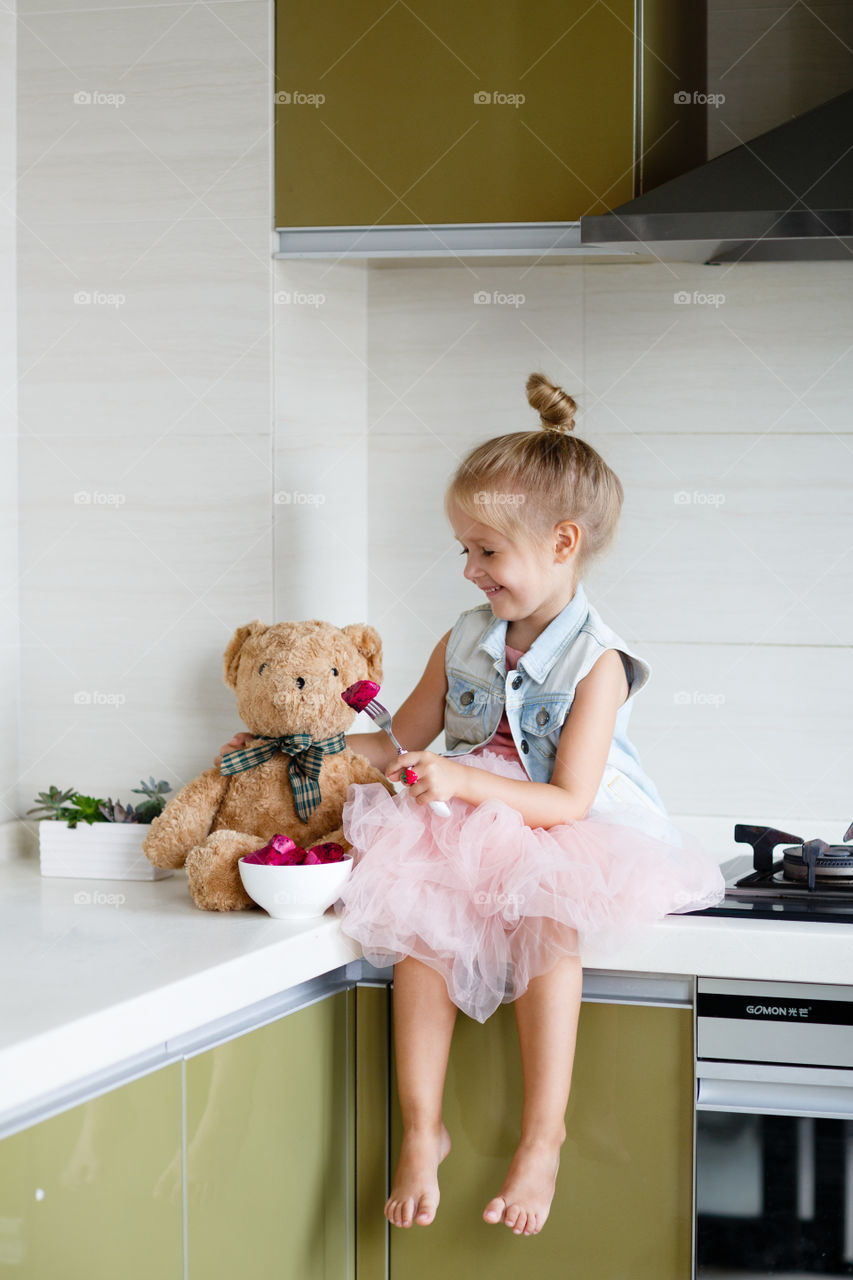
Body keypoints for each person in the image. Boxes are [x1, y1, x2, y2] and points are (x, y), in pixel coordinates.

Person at [216, 372, 725, 1239]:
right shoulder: (463, 638)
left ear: (561, 542)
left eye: (486, 551)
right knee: (419, 932)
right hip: (461, 824)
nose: (468, 569)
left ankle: (543, 1137)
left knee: (543, 925)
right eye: (464, 549)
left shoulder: (597, 662)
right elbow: (397, 739)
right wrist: (305, 750)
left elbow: (566, 799)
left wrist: (458, 781)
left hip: (566, 829)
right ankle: (423, 1131)